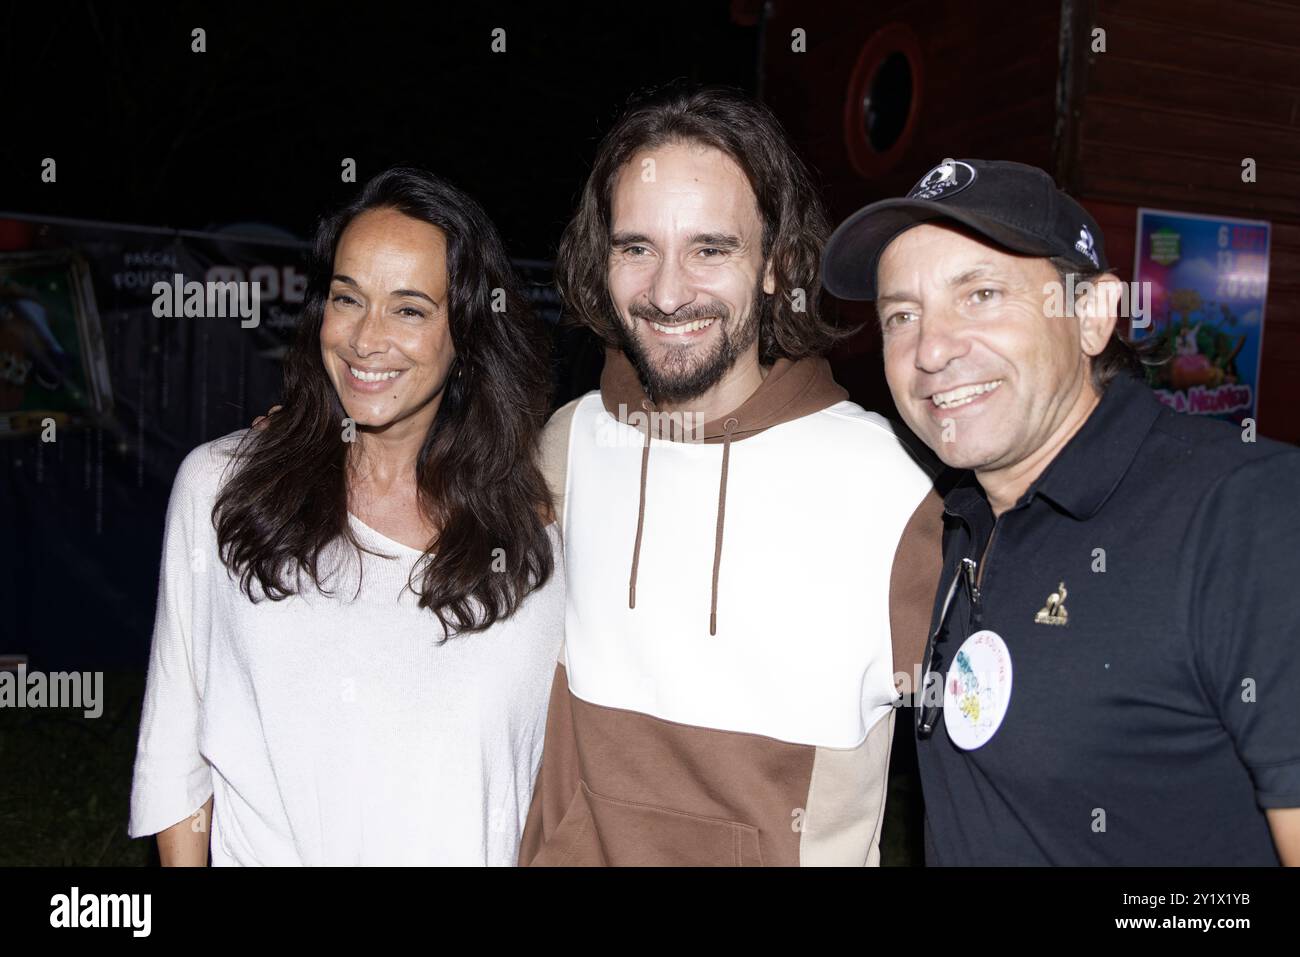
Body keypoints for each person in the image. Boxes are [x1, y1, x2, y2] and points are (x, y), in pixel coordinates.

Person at [822, 157, 1300, 865]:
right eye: (902, 314)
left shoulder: (1248, 512)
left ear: (1092, 315)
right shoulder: (959, 519)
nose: (931, 349)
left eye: (981, 293)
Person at [518, 87, 943, 867]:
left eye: (710, 249)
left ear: (779, 267)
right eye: (636, 247)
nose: (669, 291)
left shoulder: (885, 485)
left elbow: (1004, 759)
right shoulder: (569, 444)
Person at [129, 168, 564, 865]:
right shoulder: (225, 490)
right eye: (347, 297)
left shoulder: (535, 534)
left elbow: (546, 786)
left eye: (410, 309)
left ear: (468, 336)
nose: (366, 339)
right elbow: (177, 756)